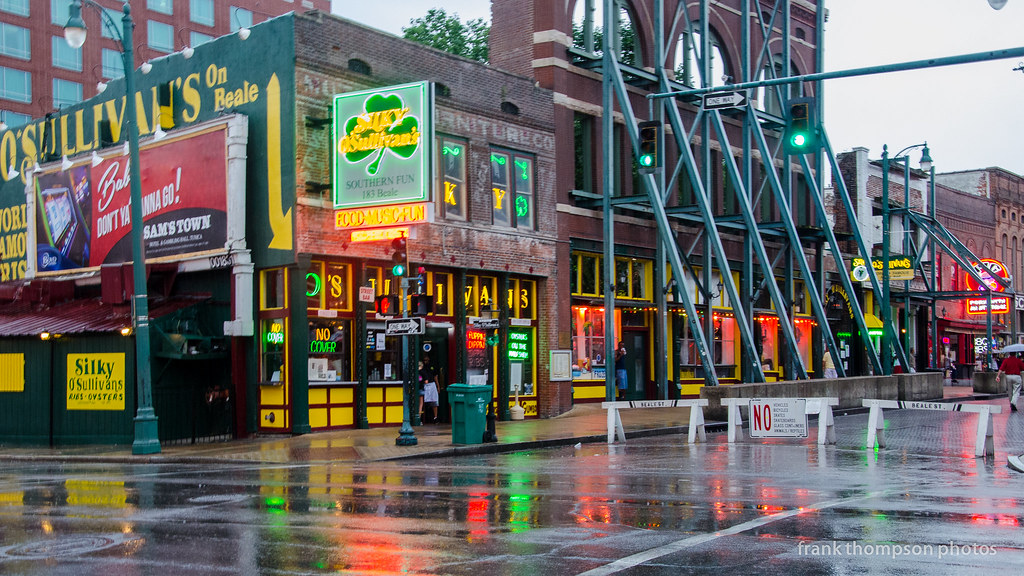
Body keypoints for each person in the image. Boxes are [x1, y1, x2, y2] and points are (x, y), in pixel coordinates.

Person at [418, 357, 439, 423]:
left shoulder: (431, 367)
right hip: (423, 386)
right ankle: (420, 418)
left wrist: (438, 386)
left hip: (431, 385)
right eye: (424, 360)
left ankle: (435, 417)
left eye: (427, 360)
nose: (426, 361)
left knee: (434, 401)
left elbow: (435, 377)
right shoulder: (421, 370)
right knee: (421, 403)